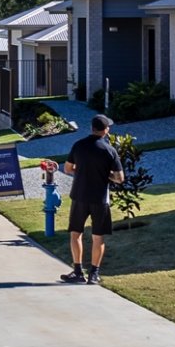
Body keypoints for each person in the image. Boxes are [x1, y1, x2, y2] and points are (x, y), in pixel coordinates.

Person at [59, 113, 124, 284]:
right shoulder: (110, 151)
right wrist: (105, 174)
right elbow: (119, 178)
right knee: (98, 237)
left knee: (75, 234)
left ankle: (78, 271)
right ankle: (94, 274)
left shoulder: (79, 146)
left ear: (92, 128)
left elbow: (67, 168)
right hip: (100, 198)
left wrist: (81, 171)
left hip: (79, 196)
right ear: (106, 130)